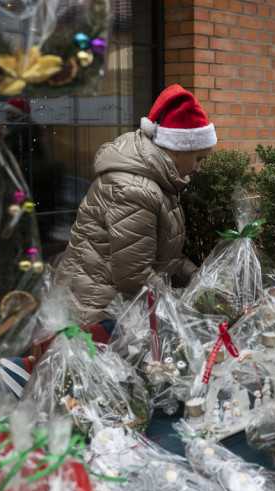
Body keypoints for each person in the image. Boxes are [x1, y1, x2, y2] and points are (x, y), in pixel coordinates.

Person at [57, 85, 216, 324]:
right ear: (176, 149)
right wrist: (185, 301)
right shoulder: (136, 190)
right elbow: (134, 277)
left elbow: (158, 252)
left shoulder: (158, 180)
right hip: (97, 313)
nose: (198, 168)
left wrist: (196, 277)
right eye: (198, 158)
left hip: (113, 306)